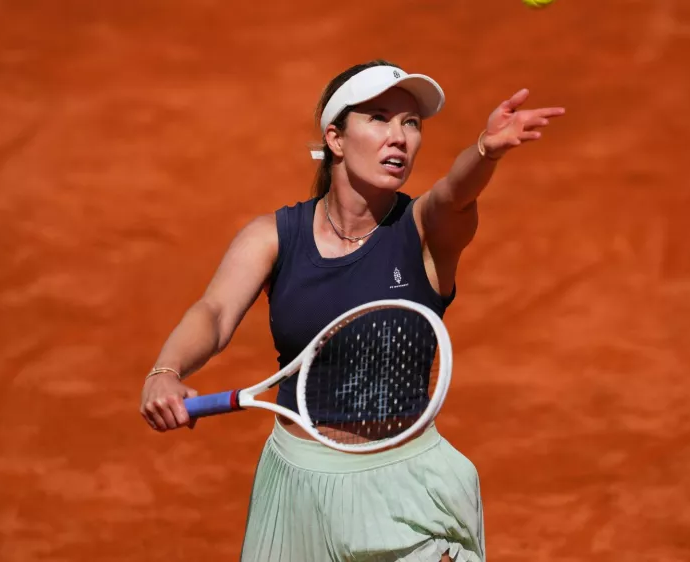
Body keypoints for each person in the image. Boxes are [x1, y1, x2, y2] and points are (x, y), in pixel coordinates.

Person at [139, 59, 565, 561]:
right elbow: (213, 312)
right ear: (335, 138)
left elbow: (454, 195)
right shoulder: (273, 237)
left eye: (411, 123)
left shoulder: (424, 230)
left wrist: (484, 152)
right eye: (380, 118)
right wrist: (166, 371)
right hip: (298, 486)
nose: (400, 137)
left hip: (409, 488)